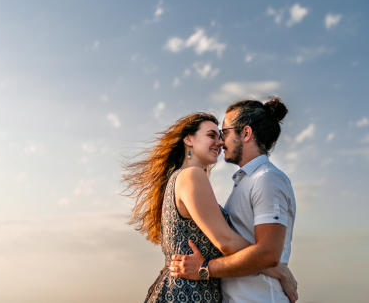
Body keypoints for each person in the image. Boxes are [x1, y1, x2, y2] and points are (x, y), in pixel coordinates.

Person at [122, 112, 297, 303]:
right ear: (188, 139)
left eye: (221, 136)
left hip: (190, 289)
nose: (220, 142)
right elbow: (226, 241)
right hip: (188, 293)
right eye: (211, 135)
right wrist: (277, 268)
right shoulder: (192, 176)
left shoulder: (182, 178)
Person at [169, 97, 297, 303]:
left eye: (224, 133)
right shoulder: (244, 182)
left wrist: (205, 269)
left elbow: (269, 253)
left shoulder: (267, 179)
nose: (221, 141)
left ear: (246, 133)